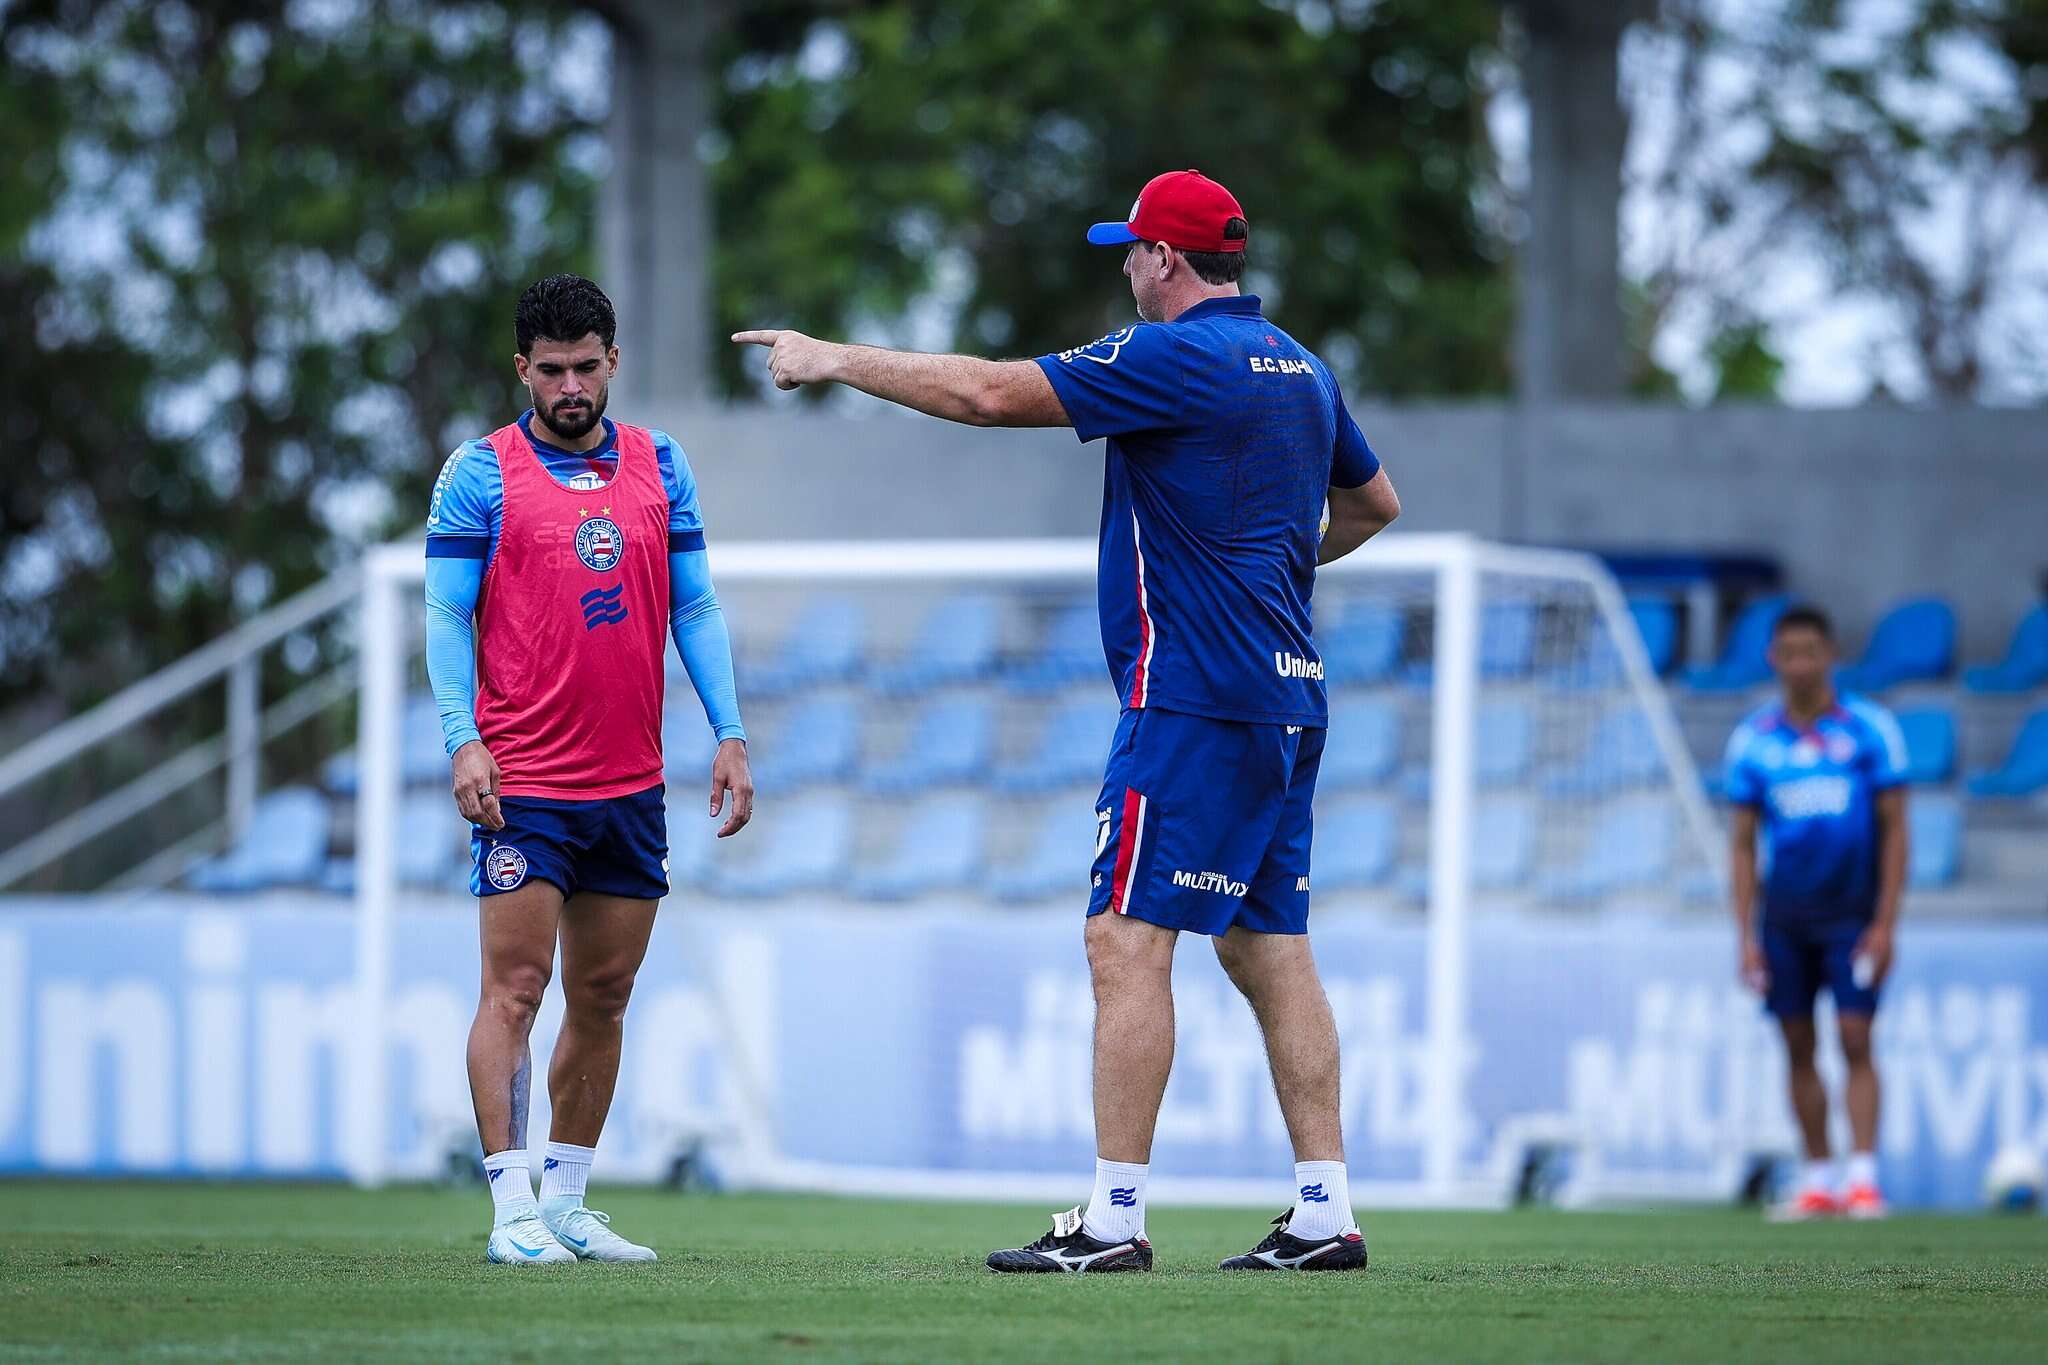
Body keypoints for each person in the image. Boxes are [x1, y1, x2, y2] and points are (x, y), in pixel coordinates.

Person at [735, 170, 1401, 1272]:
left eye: (1131, 250)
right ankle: (1325, 1211)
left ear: (1167, 261)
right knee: (1267, 946)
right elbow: (1373, 505)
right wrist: (1274, 572)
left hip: (1190, 696)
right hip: (1286, 695)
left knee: (1122, 942)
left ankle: (1113, 1220)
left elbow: (990, 395)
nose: (1126, 266)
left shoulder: (1172, 355)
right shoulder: (1303, 369)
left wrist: (835, 358)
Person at [425, 274, 754, 1265]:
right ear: (522, 369)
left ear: (613, 361)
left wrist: (728, 731)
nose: (570, 384)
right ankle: (511, 1209)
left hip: (629, 784)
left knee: (603, 995)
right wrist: (459, 737)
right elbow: (444, 613)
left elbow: (691, 606)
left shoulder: (662, 465)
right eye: (551, 369)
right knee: (515, 990)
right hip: (523, 781)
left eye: (586, 366)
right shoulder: (479, 474)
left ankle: (567, 1198)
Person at [1725, 604, 1908, 1221]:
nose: (1800, 663)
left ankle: (1863, 1179)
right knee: (1796, 1041)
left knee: (1856, 1036)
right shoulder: (1753, 741)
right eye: (1789, 652)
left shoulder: (1870, 730)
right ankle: (1818, 1177)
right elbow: (1744, 844)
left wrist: (1886, 923)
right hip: (1785, 918)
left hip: (1852, 914)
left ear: (1831, 655)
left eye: (1811, 650)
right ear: (1774, 659)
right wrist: (1745, 935)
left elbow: (1896, 829)